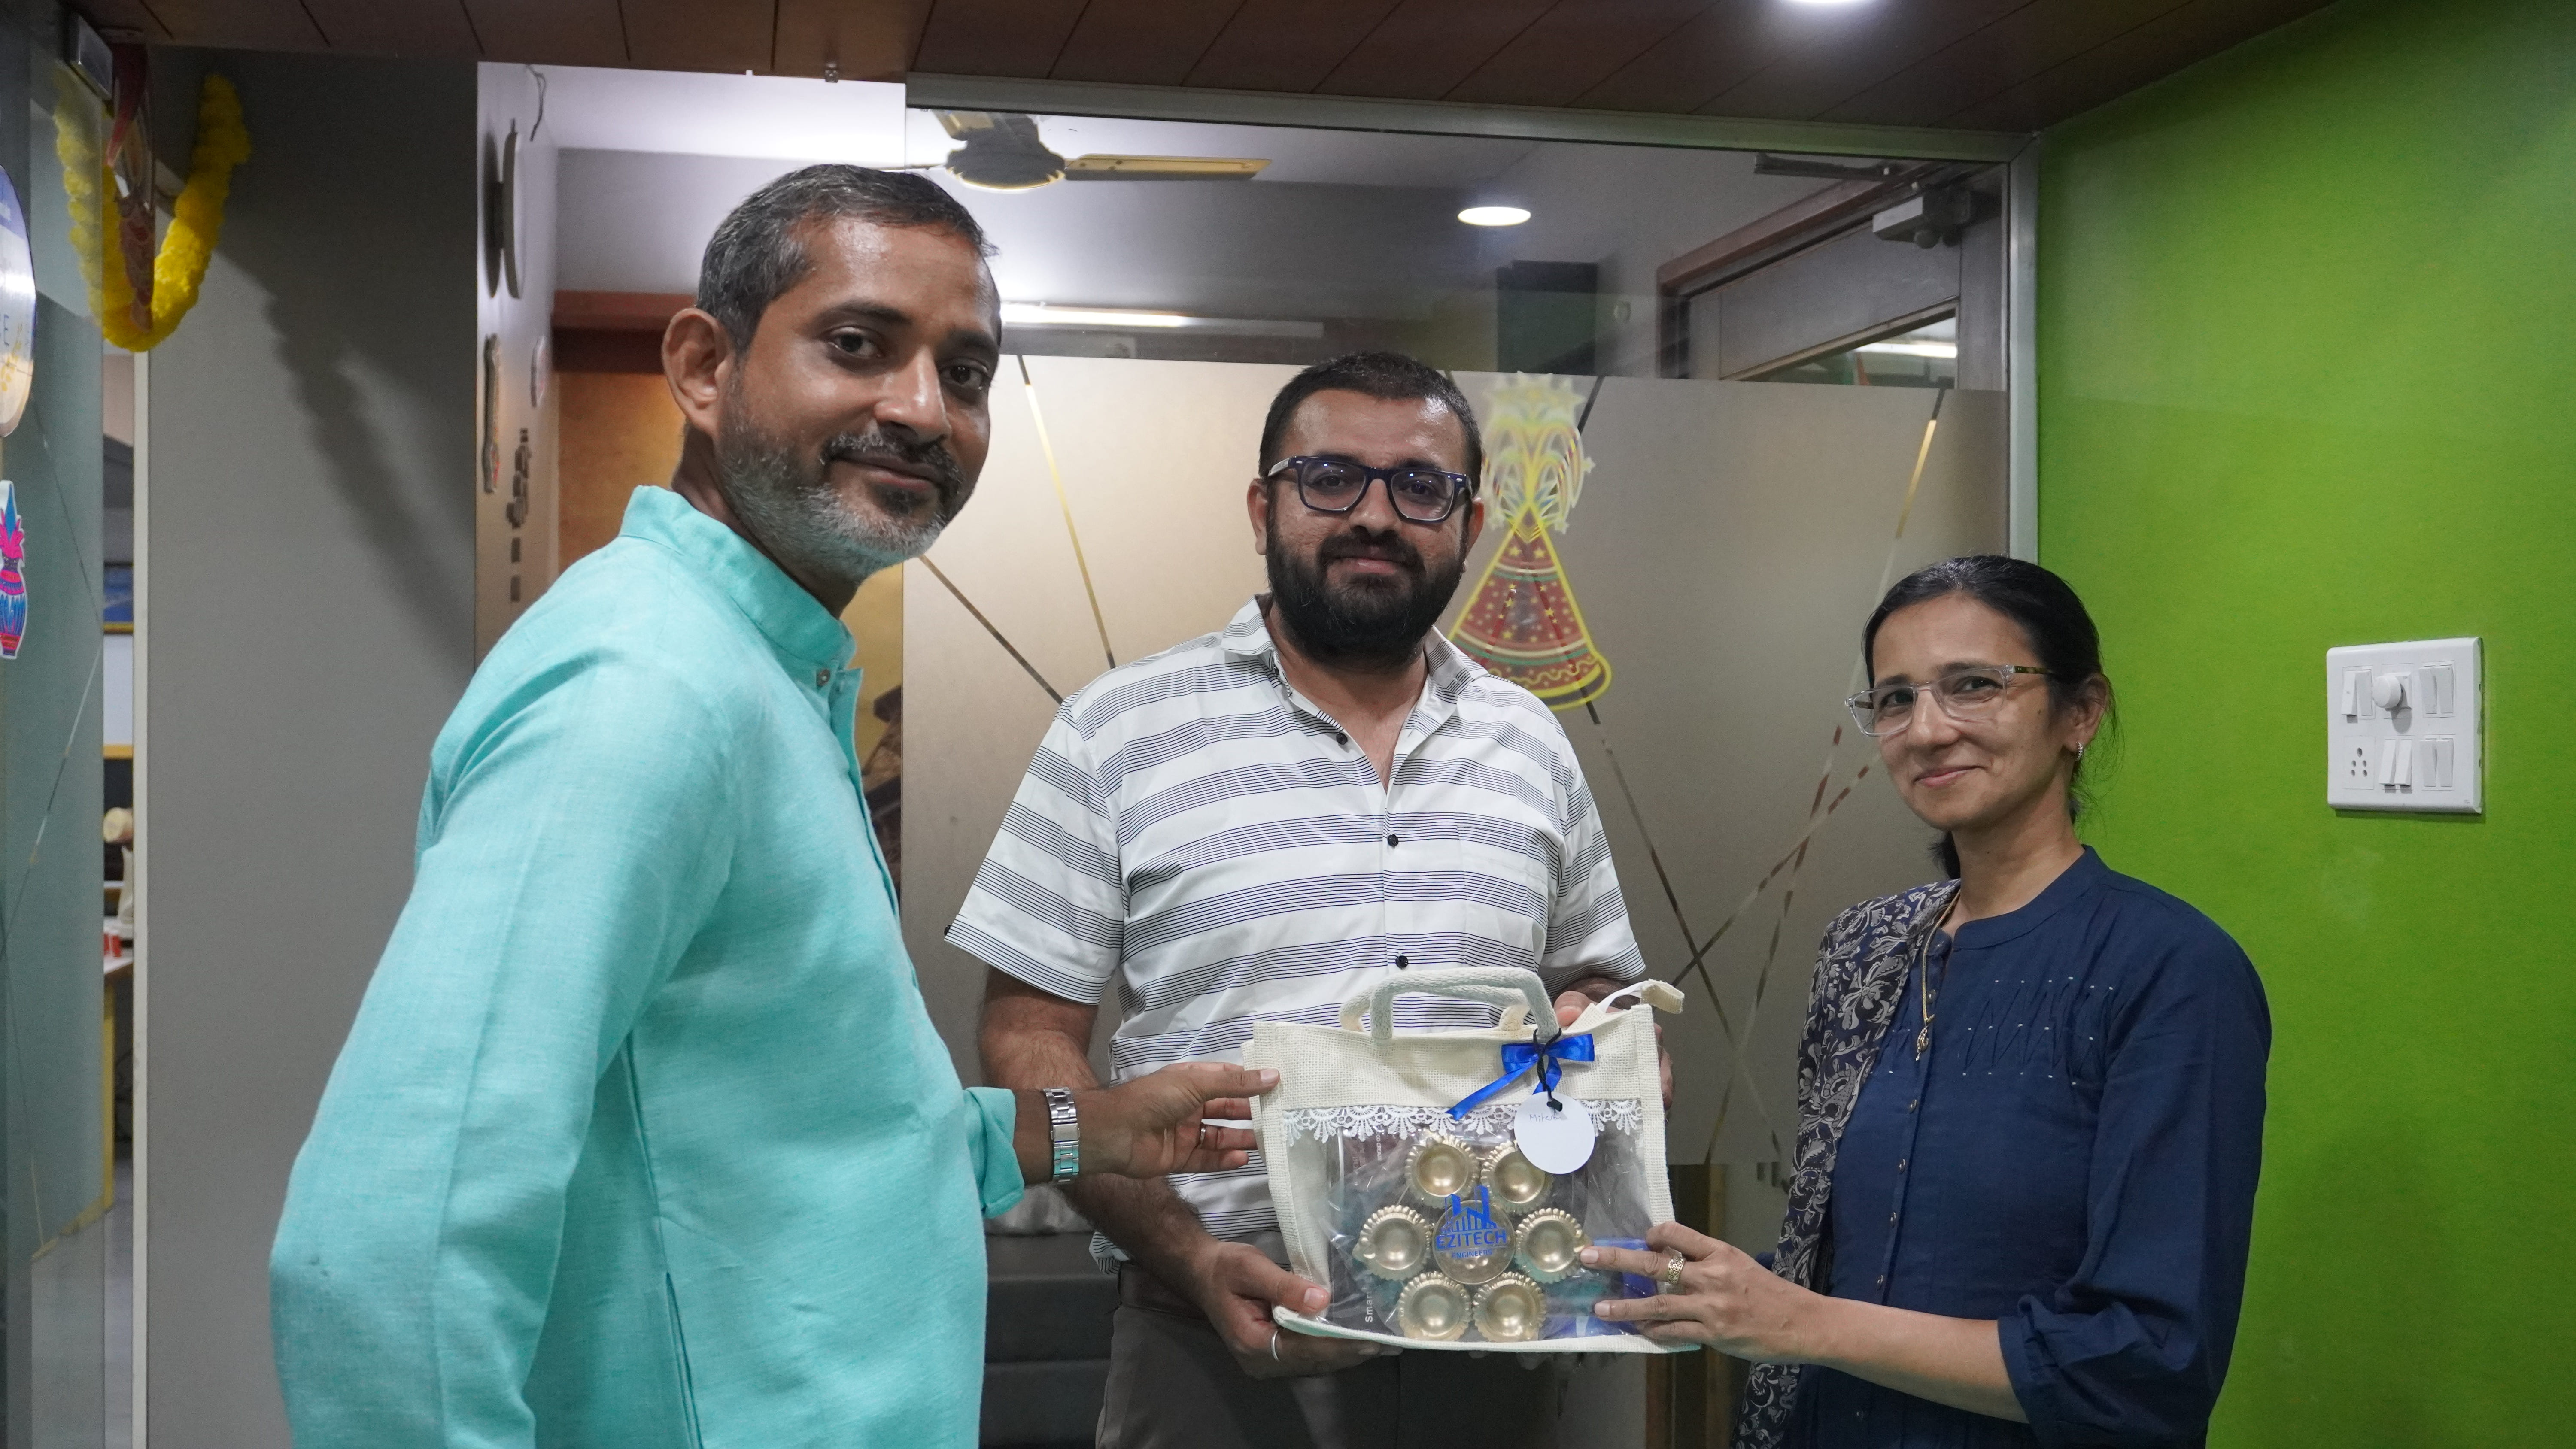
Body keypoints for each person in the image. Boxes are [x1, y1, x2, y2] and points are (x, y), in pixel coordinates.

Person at [268, 165, 1274, 1449]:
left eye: (965, 373)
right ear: (705, 367)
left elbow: (842, 1140)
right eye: (858, 345)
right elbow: (387, 1250)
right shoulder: (645, 688)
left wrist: (1094, 1128)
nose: (922, 409)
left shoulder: (768, 675)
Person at [954, 352, 1655, 1449]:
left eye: (1419, 487)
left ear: (1469, 523)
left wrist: (1603, 1035)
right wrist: (1190, 1253)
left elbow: (1603, 989)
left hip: (1493, 1332)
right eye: (1329, 478)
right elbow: (1027, 1035)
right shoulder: (1119, 730)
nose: (1374, 514)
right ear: (1262, 507)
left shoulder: (1529, 740)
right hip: (1210, 1342)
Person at [1582, 556, 2269, 1448]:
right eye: (1896, 699)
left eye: (1975, 685)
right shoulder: (1865, 949)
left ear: (2081, 711)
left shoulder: (2169, 971)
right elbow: (1841, 1264)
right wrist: (1671, 1278)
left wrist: (1795, 1321)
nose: (1929, 730)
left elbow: (2143, 1366)